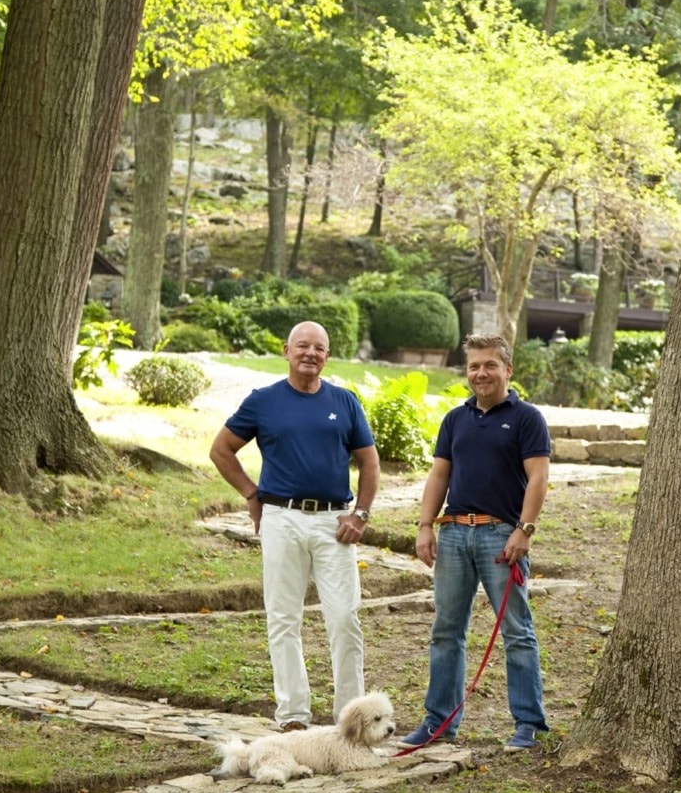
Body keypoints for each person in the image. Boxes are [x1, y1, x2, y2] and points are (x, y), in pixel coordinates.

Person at [209, 320, 380, 731]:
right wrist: (253, 495)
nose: (311, 354)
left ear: (327, 355)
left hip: (333, 521)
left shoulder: (345, 400)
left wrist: (361, 514)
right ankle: (292, 715)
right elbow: (221, 450)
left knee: (344, 618)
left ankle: (351, 719)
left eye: (319, 348)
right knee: (284, 617)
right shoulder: (263, 401)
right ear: (287, 350)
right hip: (281, 518)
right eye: (302, 346)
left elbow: (369, 462)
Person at [400, 332, 550, 752]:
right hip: (453, 535)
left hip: (501, 537)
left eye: (489, 365)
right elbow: (439, 476)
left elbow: (538, 477)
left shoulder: (526, 418)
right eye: (474, 366)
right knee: (446, 630)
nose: (480, 373)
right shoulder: (455, 419)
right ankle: (439, 722)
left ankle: (529, 724)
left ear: (507, 369)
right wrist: (425, 525)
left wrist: (525, 529)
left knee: (517, 631)